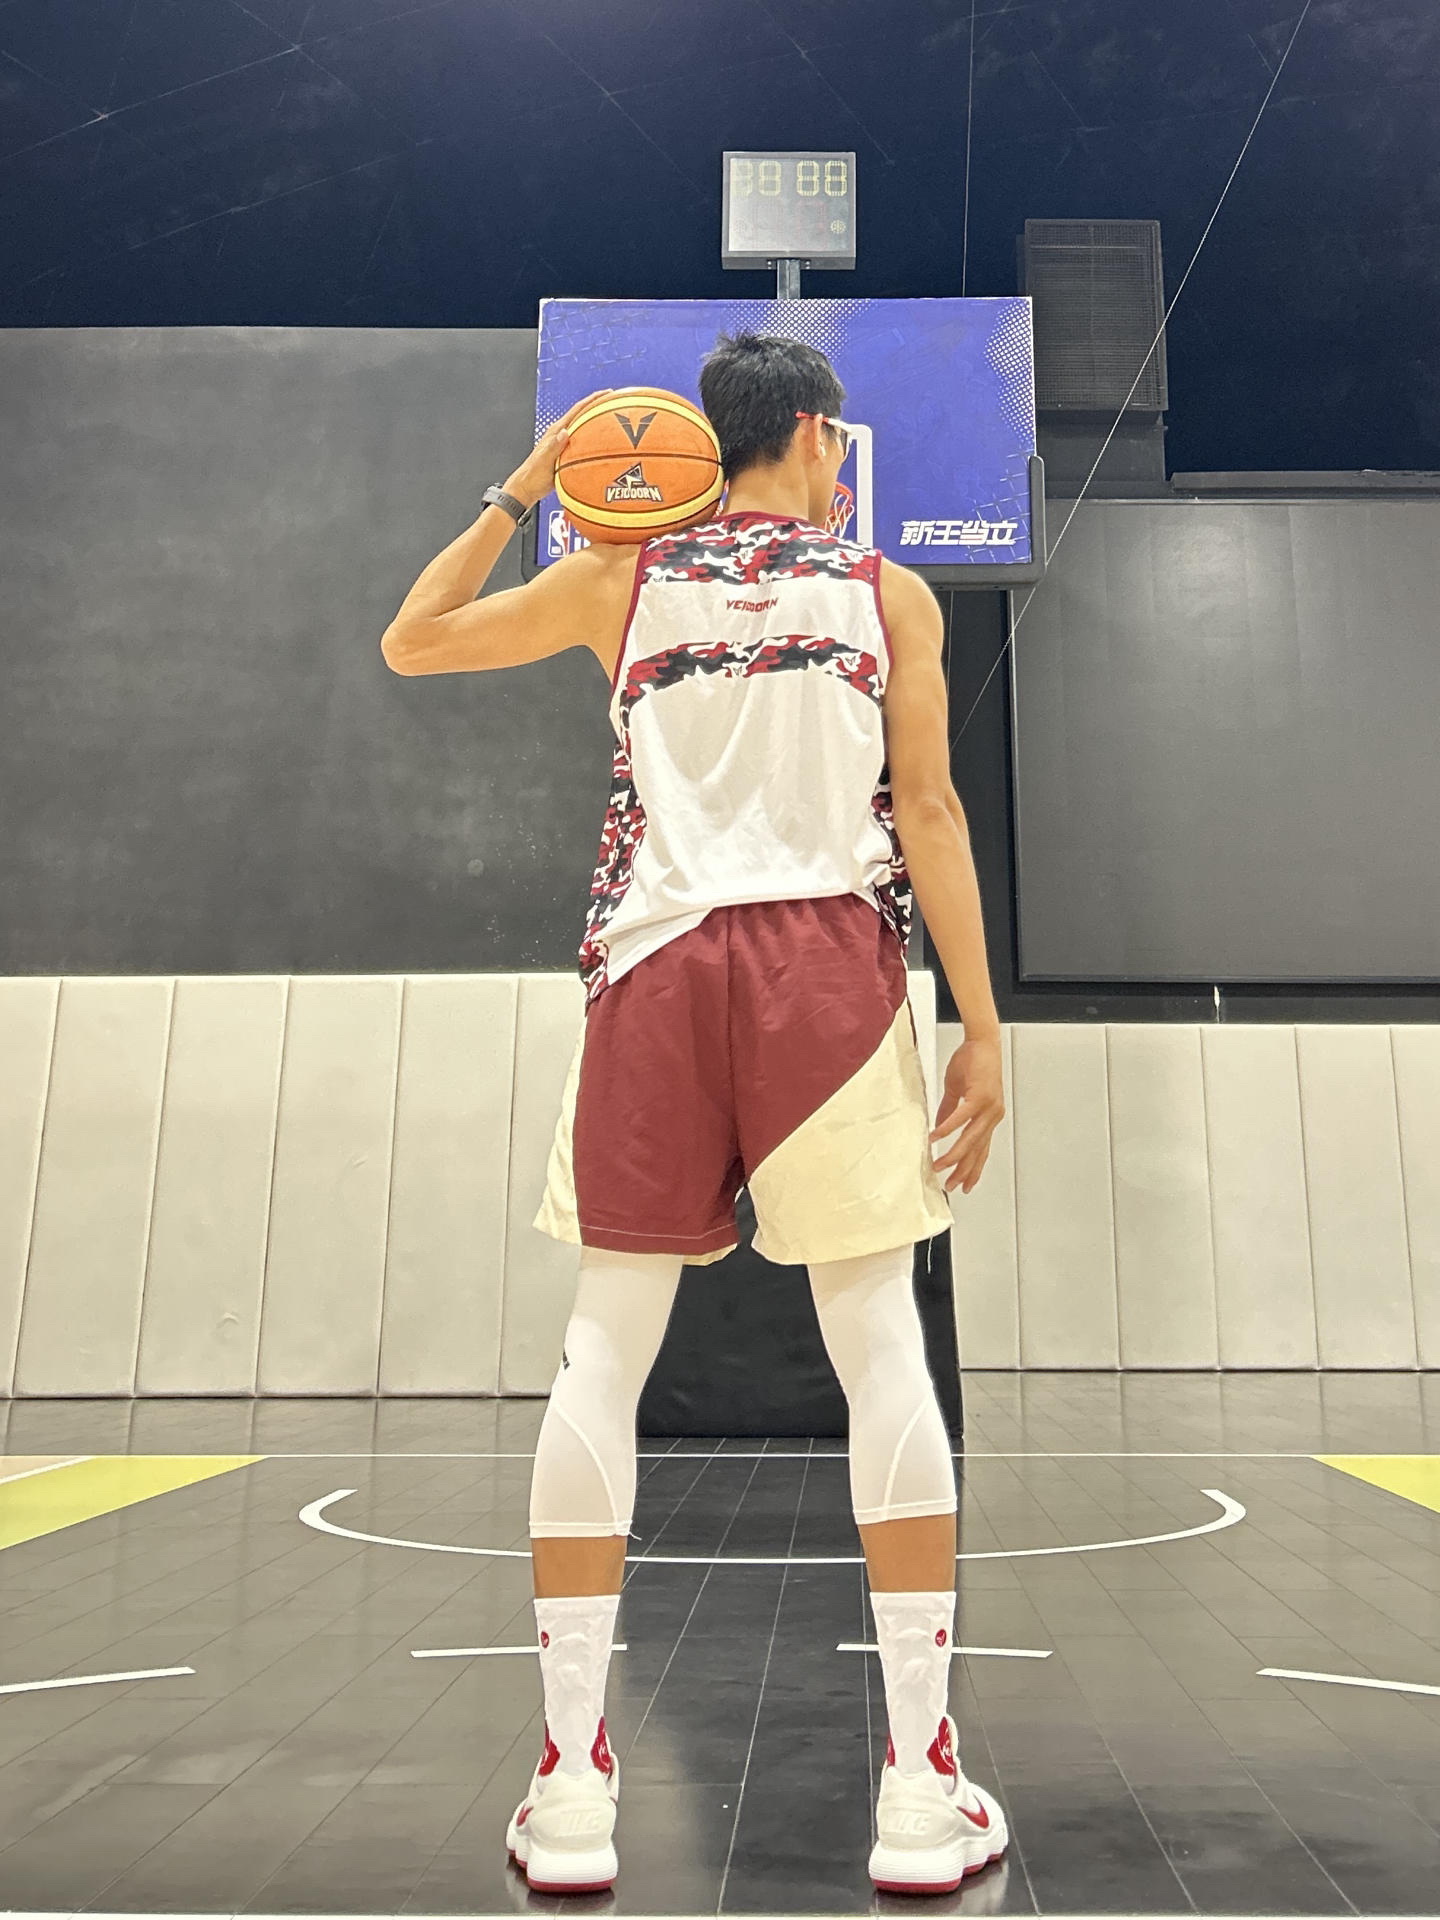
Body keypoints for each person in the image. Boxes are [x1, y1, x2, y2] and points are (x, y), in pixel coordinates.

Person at [381, 332, 1009, 1897]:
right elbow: (930, 810)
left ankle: (570, 1791)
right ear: (812, 435)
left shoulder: (616, 576)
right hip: (827, 974)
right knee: (880, 1345)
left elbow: (414, 639)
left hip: (656, 971)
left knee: (605, 1350)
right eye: (839, 436)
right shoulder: (889, 593)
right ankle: (918, 1790)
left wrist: (525, 485)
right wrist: (985, 1029)